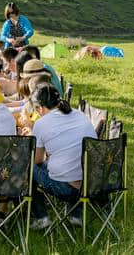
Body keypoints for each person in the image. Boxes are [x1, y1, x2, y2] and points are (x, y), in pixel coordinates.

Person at [29, 83, 96, 230]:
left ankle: (42, 217)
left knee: (27, 166)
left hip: (66, 188)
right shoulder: (79, 114)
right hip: (92, 183)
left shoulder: (41, 123)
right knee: (70, 161)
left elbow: (37, 160)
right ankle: (75, 215)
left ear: (40, 107)